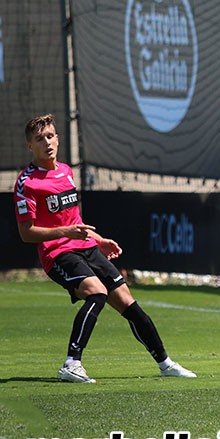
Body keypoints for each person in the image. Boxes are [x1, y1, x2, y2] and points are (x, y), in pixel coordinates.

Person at [13, 114, 196, 383]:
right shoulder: (26, 182)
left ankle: (165, 363)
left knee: (128, 302)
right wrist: (66, 232)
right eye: (39, 139)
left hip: (85, 245)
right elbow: (26, 233)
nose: (47, 143)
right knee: (96, 293)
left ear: (58, 139)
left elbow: (73, 220)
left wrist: (98, 239)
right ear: (30, 146)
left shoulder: (65, 171)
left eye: (50, 136)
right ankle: (71, 363)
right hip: (58, 254)